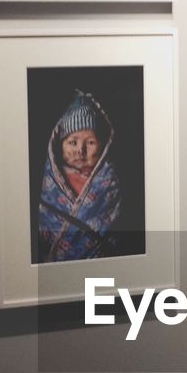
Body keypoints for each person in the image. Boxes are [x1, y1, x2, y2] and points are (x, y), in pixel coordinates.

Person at [37, 89, 123, 263]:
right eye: (72, 142)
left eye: (90, 142)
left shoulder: (109, 182)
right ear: (59, 146)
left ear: (103, 146)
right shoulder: (51, 181)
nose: (80, 150)